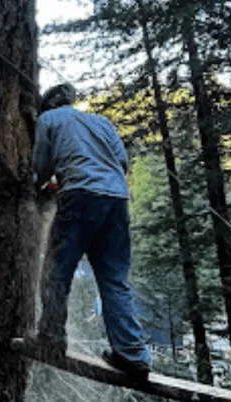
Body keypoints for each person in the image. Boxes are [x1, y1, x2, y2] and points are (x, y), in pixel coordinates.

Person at [32, 82, 152, 379]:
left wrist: (40, 187)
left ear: (47, 106)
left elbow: (41, 167)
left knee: (57, 270)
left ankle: (51, 338)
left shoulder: (48, 120)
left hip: (80, 196)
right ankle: (132, 354)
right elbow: (121, 162)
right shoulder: (102, 122)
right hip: (116, 199)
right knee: (114, 279)